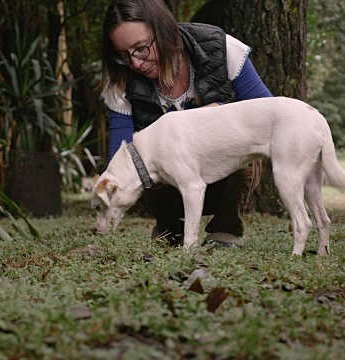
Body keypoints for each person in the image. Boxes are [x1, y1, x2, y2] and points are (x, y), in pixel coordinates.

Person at [99, 0, 272, 247]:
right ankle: (170, 229)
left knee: (247, 149)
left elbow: (269, 112)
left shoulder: (220, 47)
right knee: (141, 161)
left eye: (141, 49)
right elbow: (121, 155)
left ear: (164, 31)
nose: (135, 63)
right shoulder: (120, 81)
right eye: (124, 55)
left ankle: (226, 231)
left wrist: (218, 112)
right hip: (168, 188)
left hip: (225, 176)